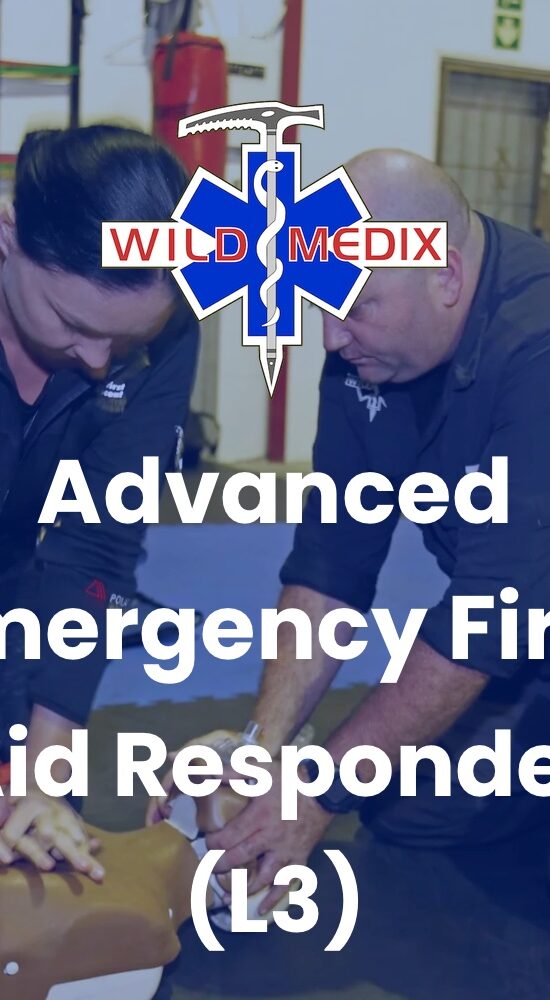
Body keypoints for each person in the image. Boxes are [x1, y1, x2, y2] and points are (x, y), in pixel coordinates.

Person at [150, 148, 550, 912]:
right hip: (526, 638)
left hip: (512, 619)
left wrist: (316, 792)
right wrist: (261, 750)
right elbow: (332, 560)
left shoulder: (536, 350)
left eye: (356, 306)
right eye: (322, 305)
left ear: (446, 278)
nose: (332, 338)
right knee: (404, 810)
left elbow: (488, 619)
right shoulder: (366, 355)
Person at [0, 125, 198, 880]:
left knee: (41, 844)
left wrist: (41, 779)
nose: (95, 360)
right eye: (73, 325)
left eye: (124, 341)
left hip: (15, 576)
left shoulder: (165, 325)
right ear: (9, 236)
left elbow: (99, 539)